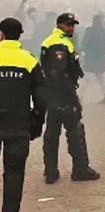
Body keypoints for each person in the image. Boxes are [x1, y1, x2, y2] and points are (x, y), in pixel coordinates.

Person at [41, 13, 100, 184]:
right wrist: (72, 99)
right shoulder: (58, 43)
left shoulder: (56, 41)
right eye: (68, 25)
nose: (71, 28)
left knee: (52, 133)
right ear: (59, 25)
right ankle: (80, 170)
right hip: (62, 96)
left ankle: (51, 171)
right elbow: (59, 74)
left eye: (73, 25)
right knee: (74, 132)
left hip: (53, 95)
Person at [0, 18, 47, 212]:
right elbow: (41, 96)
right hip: (18, 124)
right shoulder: (29, 59)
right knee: (14, 172)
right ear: (20, 36)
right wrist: (37, 122)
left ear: (1, 34)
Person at [81, 13, 105, 105]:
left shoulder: (89, 31)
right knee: (101, 78)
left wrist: (84, 51)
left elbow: (84, 44)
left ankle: (79, 97)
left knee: (86, 78)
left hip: (90, 57)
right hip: (100, 58)